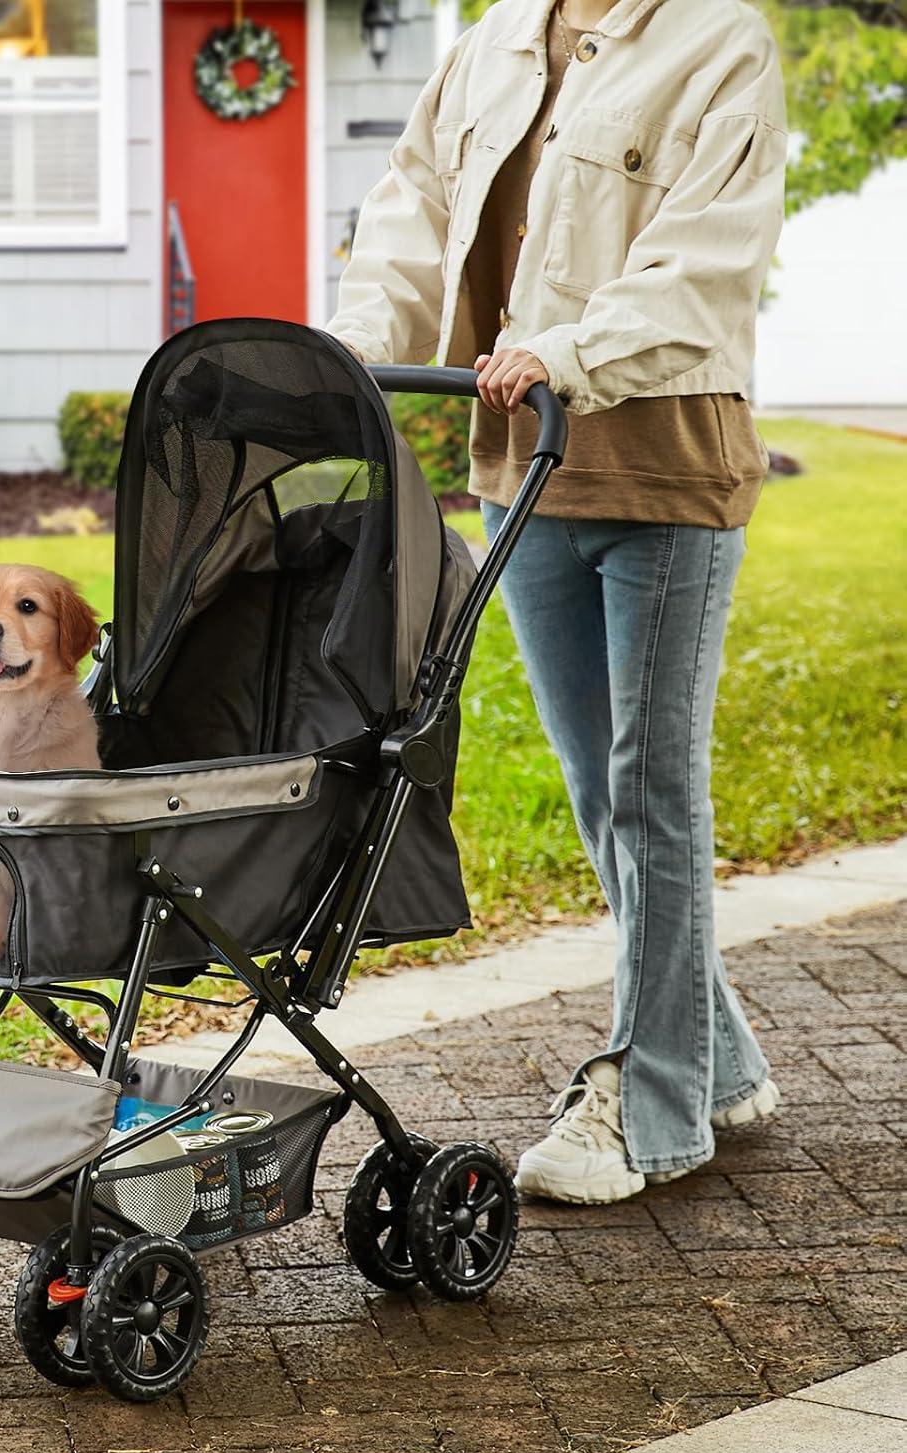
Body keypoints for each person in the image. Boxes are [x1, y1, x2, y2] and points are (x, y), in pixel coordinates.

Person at [327, 0, 788, 1203]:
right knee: (600, 785)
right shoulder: (488, 43)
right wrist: (348, 346)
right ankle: (719, 1059)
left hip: (666, 460)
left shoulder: (717, 38)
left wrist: (569, 350)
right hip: (522, 465)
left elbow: (707, 255)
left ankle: (652, 1105)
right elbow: (412, 211)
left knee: (651, 786)